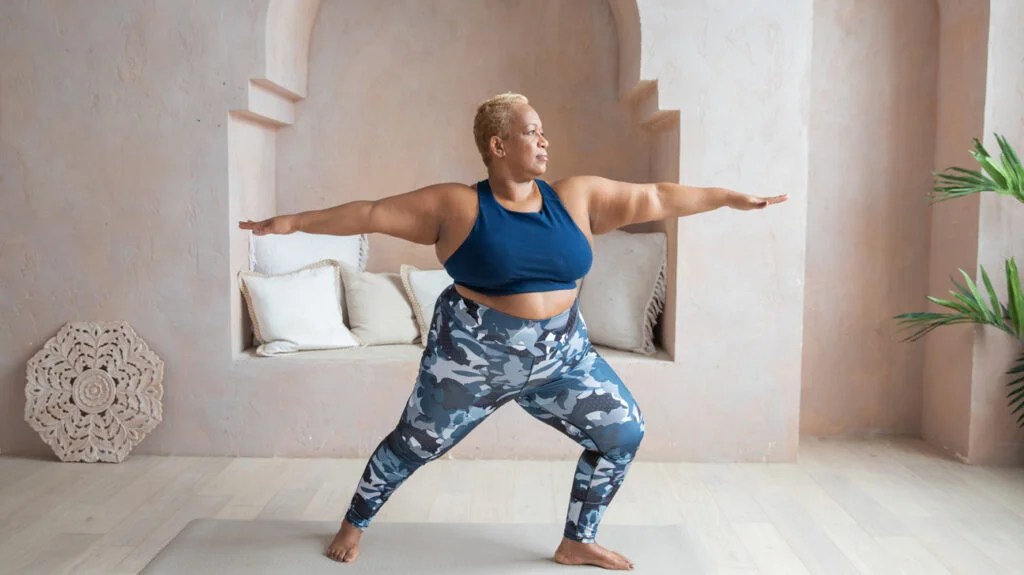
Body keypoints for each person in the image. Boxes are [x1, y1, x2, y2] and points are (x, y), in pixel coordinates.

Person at [238, 93, 787, 570]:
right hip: (472, 356)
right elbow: (372, 212)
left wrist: (726, 197)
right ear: (498, 145)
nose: (545, 141)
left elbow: (659, 197)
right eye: (532, 132)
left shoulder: (576, 196)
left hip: (561, 355)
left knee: (622, 432)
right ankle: (354, 523)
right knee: (415, 444)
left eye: (544, 132)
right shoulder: (457, 205)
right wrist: (291, 223)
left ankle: (578, 542)